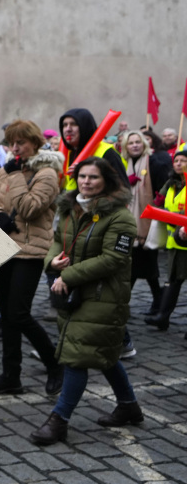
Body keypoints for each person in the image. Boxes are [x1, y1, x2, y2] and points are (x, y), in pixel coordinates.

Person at [32, 158, 142, 444]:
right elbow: (58, 239)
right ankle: (129, 406)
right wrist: (51, 260)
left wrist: (68, 275)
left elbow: (114, 259)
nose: (86, 181)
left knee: (76, 357)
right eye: (82, 176)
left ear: (107, 180)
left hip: (103, 295)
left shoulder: (120, 217)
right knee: (104, 353)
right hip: (73, 295)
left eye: (93, 177)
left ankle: (59, 420)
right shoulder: (71, 206)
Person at [0, 120, 64, 396]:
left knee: (18, 313)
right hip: (5, 246)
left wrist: (16, 176)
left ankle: (55, 364)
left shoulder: (47, 172)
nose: (15, 148)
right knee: (7, 316)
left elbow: (29, 208)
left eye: (21, 143)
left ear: (35, 143)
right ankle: (10, 375)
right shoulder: (7, 170)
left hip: (30, 251)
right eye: (11, 143)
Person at [121, 131, 167, 319]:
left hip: (148, 223)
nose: (134, 145)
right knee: (139, 266)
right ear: (126, 147)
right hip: (131, 221)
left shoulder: (153, 162)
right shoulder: (127, 164)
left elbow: (162, 188)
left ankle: (128, 303)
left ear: (144, 144)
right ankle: (157, 302)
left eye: (138, 142)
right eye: (131, 143)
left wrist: (159, 201)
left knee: (145, 266)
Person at [148, 149, 187, 330]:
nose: (178, 163)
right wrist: (159, 200)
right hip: (175, 242)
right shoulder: (171, 183)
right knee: (173, 279)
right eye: (176, 160)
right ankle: (163, 316)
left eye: (183, 161)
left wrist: (173, 216)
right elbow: (160, 203)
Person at [59, 109, 125, 191]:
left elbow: (122, 189)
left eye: (74, 124)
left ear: (85, 127)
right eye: (64, 125)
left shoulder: (107, 152)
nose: (68, 129)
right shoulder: (65, 154)